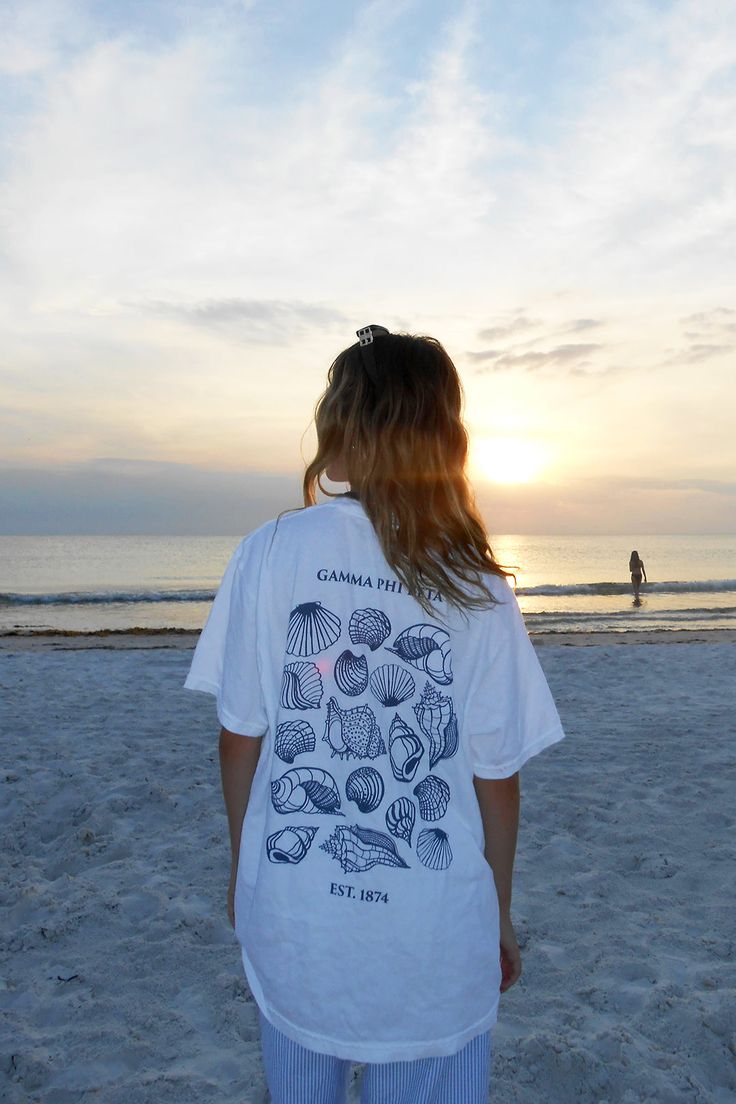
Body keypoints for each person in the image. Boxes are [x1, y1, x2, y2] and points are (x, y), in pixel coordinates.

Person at [184, 326, 566, 1104]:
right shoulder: (475, 585)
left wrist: (243, 869)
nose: (323, 418)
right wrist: (499, 911)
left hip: (298, 919)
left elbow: (240, 736)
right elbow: (497, 778)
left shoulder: (269, 550)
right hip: (432, 934)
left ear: (355, 432)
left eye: (336, 406)